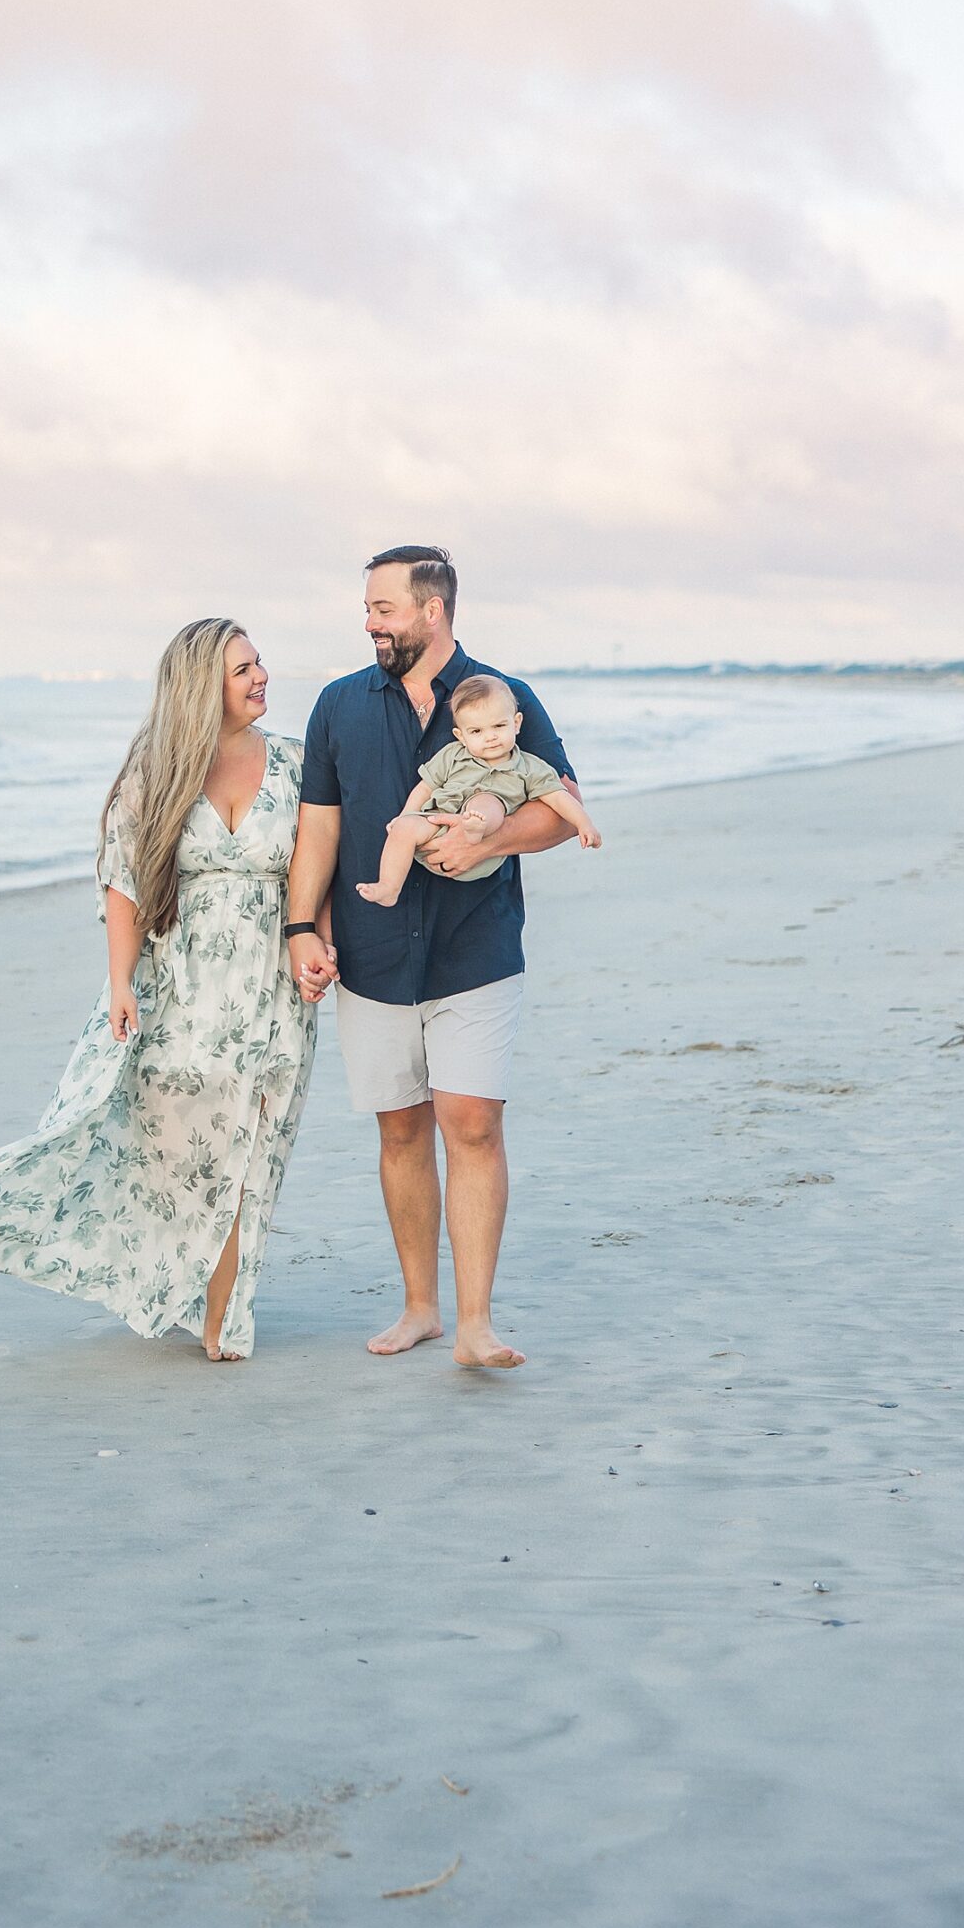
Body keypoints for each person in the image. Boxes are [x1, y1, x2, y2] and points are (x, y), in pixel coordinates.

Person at [0, 619, 319, 1361]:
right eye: (242, 669)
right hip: (178, 986)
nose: (261, 675)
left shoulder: (298, 763)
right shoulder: (158, 766)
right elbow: (124, 882)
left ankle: (225, 1314)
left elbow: (318, 864)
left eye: (257, 662)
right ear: (204, 686)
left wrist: (313, 945)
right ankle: (174, 1282)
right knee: (171, 1152)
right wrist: (119, 984)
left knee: (250, 1148)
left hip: (268, 988)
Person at [286, 547, 589, 1370]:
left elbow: (561, 807)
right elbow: (319, 824)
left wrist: (489, 833)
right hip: (372, 950)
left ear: (431, 611)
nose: (369, 621)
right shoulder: (338, 705)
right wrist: (299, 927)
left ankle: (476, 1324)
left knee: (472, 1122)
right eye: (368, 607)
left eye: (383, 607)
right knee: (399, 1129)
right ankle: (420, 1306)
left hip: (475, 947)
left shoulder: (503, 699)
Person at [356, 672, 601, 904]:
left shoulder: (529, 767)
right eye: (477, 731)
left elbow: (560, 797)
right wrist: (406, 816)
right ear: (460, 736)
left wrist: (584, 823)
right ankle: (389, 887)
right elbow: (425, 788)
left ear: (516, 724)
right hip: (437, 832)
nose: (490, 737)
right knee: (404, 828)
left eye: (498, 726)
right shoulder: (452, 755)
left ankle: (473, 826)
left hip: (483, 845)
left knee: (485, 801)